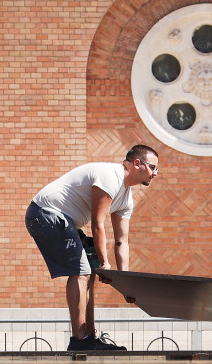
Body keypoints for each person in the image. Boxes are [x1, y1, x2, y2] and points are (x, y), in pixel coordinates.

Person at [25, 145, 159, 351]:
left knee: (90, 271)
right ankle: (80, 340)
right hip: (45, 213)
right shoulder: (110, 176)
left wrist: (125, 282)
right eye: (153, 167)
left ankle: (89, 337)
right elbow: (97, 224)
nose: (156, 173)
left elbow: (122, 241)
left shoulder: (126, 199)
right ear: (137, 163)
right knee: (81, 272)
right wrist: (105, 262)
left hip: (63, 221)